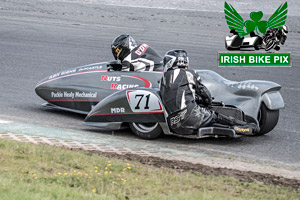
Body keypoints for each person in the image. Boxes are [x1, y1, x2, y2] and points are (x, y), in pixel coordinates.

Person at [159, 49, 259, 135]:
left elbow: (174, 97)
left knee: (205, 118)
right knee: (215, 116)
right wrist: (207, 101)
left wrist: (195, 99)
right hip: (191, 118)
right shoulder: (190, 73)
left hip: (173, 125)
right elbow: (205, 94)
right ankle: (243, 126)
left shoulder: (162, 79)